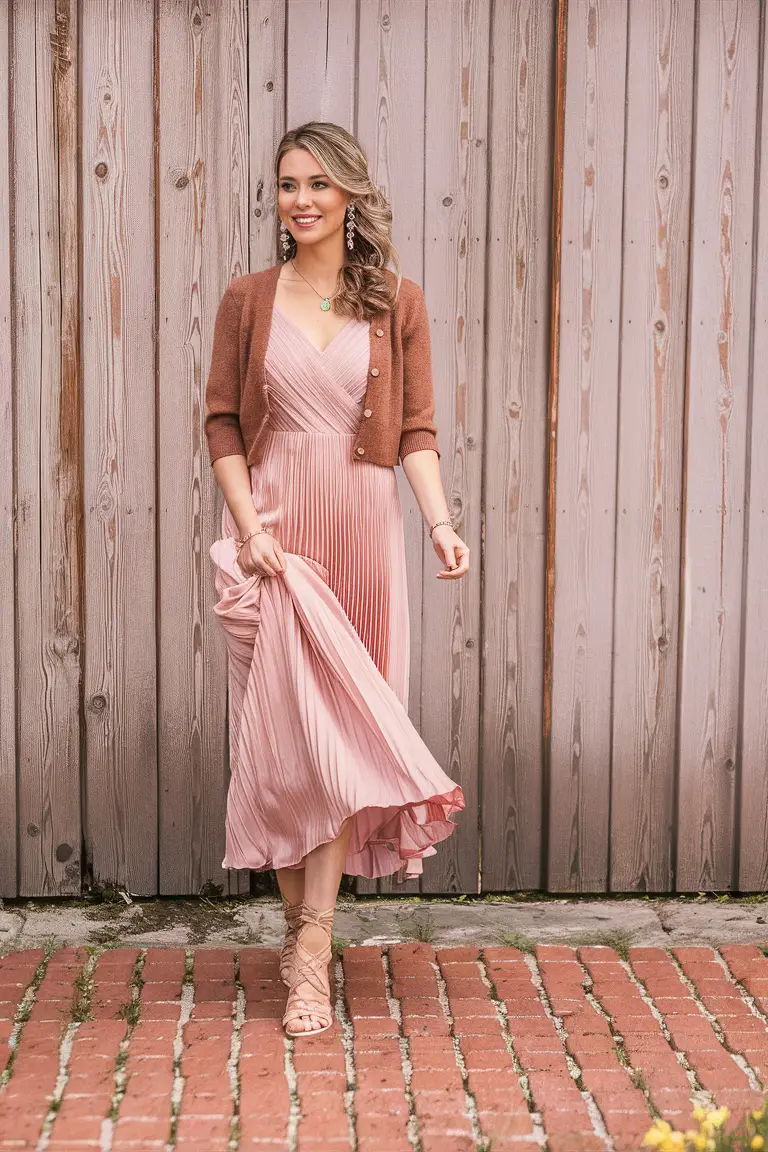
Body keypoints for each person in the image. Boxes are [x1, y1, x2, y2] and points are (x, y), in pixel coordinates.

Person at [204, 121, 469, 1039]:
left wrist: (440, 523)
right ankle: (305, 937)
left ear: (351, 193)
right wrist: (251, 532)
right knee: (285, 748)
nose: (302, 199)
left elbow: (416, 432)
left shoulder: (396, 300)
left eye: (319, 183)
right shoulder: (247, 299)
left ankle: (309, 953)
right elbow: (224, 426)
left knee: (336, 746)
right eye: (287, 184)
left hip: (361, 538)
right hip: (278, 540)